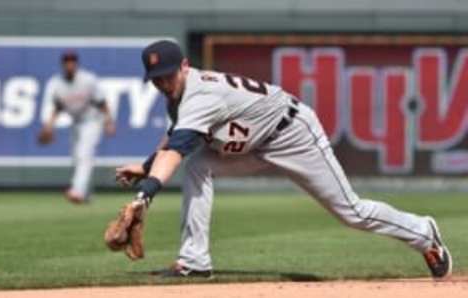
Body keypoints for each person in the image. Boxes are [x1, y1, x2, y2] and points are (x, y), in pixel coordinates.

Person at [115, 40, 452, 279]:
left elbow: (177, 148)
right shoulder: (178, 95)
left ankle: (424, 232)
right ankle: (194, 262)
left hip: (292, 135)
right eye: (157, 78)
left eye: (169, 74)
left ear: (186, 66)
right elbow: (176, 136)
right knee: (199, 166)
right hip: (251, 145)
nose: (163, 82)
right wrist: (145, 166)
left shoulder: (200, 93)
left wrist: (145, 193)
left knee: (352, 212)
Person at [39, 51, 116, 204]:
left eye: (72, 61)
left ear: (77, 63)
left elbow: (102, 102)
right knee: (77, 159)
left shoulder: (87, 80)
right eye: (67, 61)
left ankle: (77, 190)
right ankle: (86, 194)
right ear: (62, 64)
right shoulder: (57, 84)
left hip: (93, 121)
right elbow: (57, 107)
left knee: (84, 155)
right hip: (76, 122)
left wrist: (109, 121)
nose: (70, 64)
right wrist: (49, 126)